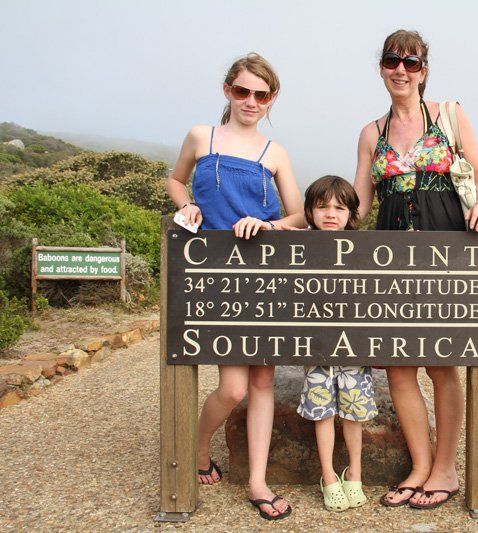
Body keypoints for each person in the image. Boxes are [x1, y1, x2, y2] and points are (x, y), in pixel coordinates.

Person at [352, 30, 478, 510]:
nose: (401, 70)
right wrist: (307, 221)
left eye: (411, 63)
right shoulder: (372, 133)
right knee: (398, 368)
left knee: (441, 364)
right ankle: (419, 465)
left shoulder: (449, 115)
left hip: (447, 255)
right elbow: (359, 208)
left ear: (423, 70)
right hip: (392, 261)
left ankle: (446, 468)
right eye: (393, 60)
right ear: (381, 67)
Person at [166, 52, 305, 521]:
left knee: (262, 380)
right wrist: (187, 207)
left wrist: (266, 226)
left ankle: (258, 482)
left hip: (263, 274)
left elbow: (299, 214)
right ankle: (200, 445)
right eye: (242, 91)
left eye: (261, 94)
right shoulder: (200, 136)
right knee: (232, 388)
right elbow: (175, 179)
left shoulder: (275, 153)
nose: (251, 101)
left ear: (271, 99)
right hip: (217, 274)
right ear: (228, 90)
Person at [296, 175, 378, 512]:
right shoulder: (299, 247)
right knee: (323, 413)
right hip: (317, 352)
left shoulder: (364, 251)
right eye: (322, 207)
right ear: (310, 212)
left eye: (339, 208)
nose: (331, 213)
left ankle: (354, 473)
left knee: (354, 413)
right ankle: (329, 476)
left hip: (354, 352)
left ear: (352, 216)